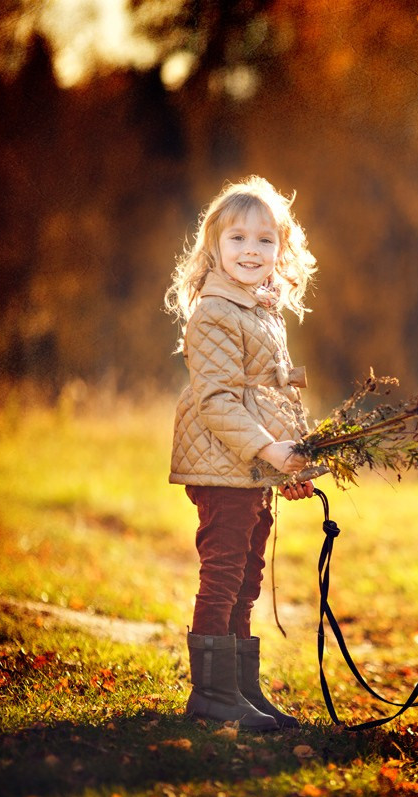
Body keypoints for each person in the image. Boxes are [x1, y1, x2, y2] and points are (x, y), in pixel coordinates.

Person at [165, 176, 323, 731]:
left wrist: (291, 465)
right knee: (224, 572)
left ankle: (240, 688)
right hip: (222, 462)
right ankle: (211, 695)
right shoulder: (214, 311)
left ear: (282, 249)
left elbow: (271, 396)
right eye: (238, 239)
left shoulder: (260, 310)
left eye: (265, 240)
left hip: (252, 465)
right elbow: (218, 401)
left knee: (248, 574)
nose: (251, 250)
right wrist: (269, 450)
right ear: (214, 246)